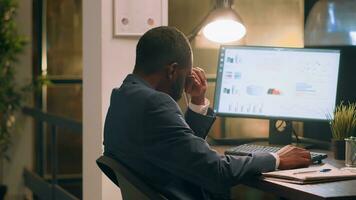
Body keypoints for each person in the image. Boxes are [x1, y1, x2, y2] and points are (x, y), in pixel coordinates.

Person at [103, 26, 311, 200]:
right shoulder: (156, 103)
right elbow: (217, 171)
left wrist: (197, 103)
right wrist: (275, 159)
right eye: (187, 74)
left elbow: (179, 148)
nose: (188, 81)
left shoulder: (123, 96)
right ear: (172, 71)